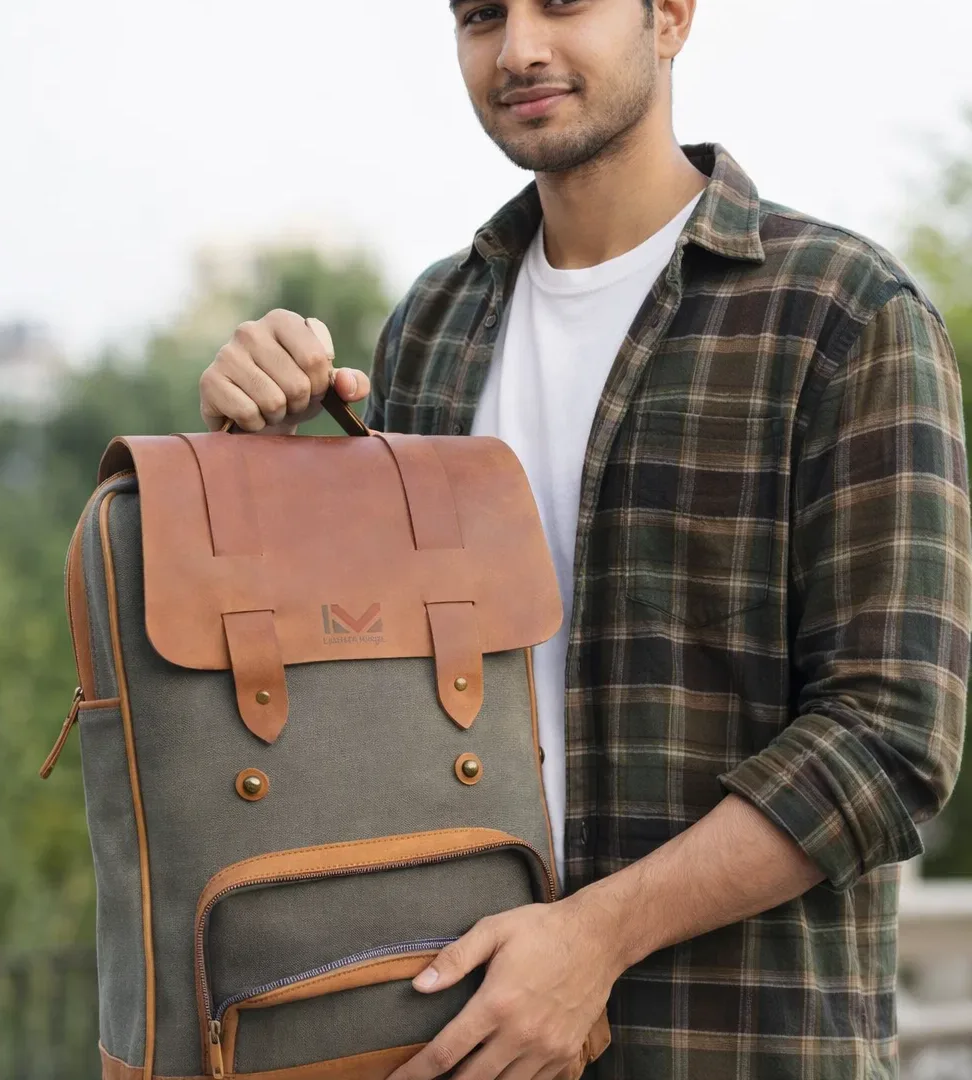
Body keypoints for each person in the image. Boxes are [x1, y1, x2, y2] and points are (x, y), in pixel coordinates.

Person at [198, 1, 972, 1077]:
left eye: (562, 2)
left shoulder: (840, 315)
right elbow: (349, 694)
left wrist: (592, 940)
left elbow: (890, 736)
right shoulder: (431, 327)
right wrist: (254, 457)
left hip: (737, 1047)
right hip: (448, 1036)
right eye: (480, 15)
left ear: (668, 17)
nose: (517, 48)